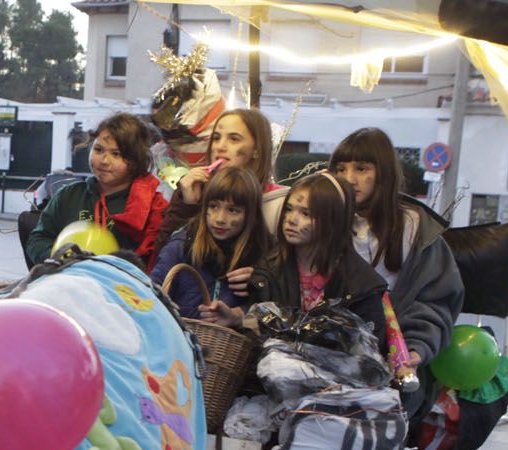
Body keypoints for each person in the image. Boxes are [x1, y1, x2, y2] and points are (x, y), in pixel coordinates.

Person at [329, 127, 463, 416]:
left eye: (362, 168)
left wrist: (418, 346)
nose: (349, 179)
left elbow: (435, 299)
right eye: (341, 169)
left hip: (393, 364)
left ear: (384, 172)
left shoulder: (415, 230)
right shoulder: (323, 222)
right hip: (329, 359)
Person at [203, 171, 388, 348]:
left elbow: (370, 347)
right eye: (289, 209)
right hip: (274, 375)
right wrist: (236, 317)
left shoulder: (361, 283)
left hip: (341, 378)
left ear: (332, 221)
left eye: (305, 213)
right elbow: (259, 325)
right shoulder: (269, 269)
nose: (291, 220)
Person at [23, 112, 167, 266]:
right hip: (68, 280)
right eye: (98, 150)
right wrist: (61, 259)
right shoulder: (69, 195)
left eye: (116, 154)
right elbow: (37, 240)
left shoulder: (150, 206)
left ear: (136, 159)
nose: (104, 161)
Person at [152, 107, 282, 250]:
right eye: (216, 138)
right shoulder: (195, 188)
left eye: (234, 139)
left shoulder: (277, 201)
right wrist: (187, 205)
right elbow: (162, 254)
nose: (220, 147)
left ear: (257, 149)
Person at [149, 164, 267, 319]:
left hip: (227, 341)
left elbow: (270, 313)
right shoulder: (181, 246)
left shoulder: (262, 256)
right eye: (213, 207)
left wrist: (242, 311)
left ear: (251, 215)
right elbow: (150, 297)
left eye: (233, 210)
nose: (220, 219)